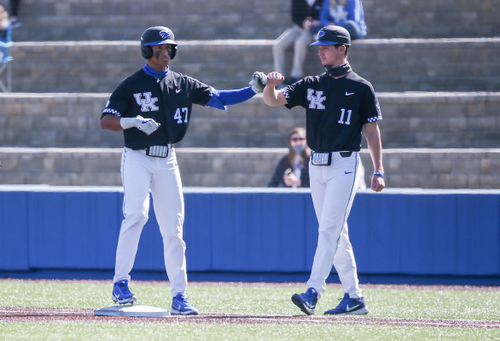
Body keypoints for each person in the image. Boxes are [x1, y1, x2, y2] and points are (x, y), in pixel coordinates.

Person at [100, 26, 267, 315]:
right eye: (159, 48)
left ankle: (179, 295)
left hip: (167, 158)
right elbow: (107, 120)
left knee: (174, 230)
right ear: (146, 51)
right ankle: (120, 282)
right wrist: (133, 122)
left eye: (169, 48)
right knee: (137, 215)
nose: (165, 52)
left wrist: (252, 90)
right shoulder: (131, 84)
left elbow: (220, 97)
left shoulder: (183, 83)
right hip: (137, 156)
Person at [263, 25, 385, 315]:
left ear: (343, 48)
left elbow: (371, 132)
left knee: (328, 229)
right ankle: (354, 298)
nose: (320, 50)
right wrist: (270, 85)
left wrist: (378, 169)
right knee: (334, 232)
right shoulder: (312, 83)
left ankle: (313, 290)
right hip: (316, 166)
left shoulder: (361, 87)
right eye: (319, 45)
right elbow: (274, 99)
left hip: (345, 164)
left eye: (326, 46)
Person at [273, 0, 324, 88]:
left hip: (313, 31)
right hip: (299, 28)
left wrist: (317, 22)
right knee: (278, 45)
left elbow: (325, 15)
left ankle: (296, 75)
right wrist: (303, 22)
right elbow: (294, 16)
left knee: (300, 42)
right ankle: (279, 78)